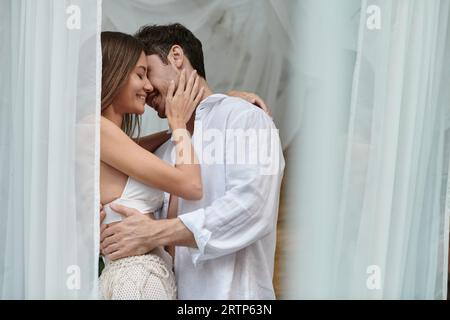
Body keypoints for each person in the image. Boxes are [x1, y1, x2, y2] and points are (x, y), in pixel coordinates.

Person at [100, 24, 285, 299]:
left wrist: (156, 232)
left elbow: (253, 207)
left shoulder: (245, 119)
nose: (147, 87)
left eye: (146, 72)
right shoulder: (165, 148)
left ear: (176, 56)